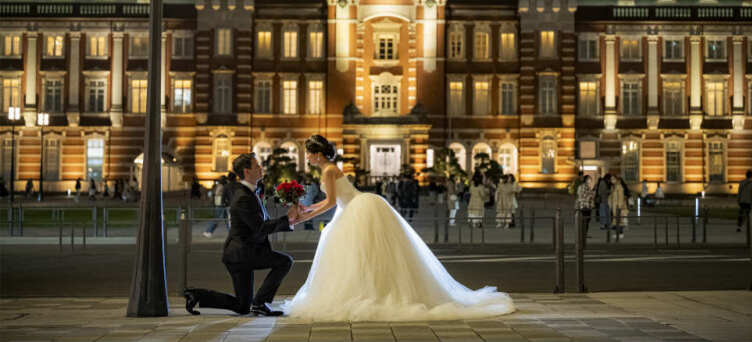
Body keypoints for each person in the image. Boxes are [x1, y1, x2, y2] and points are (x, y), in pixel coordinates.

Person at [285, 134, 514, 321]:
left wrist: (305, 215)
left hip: (355, 209)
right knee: (369, 257)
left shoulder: (328, 170)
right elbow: (334, 201)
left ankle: (370, 293)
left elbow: (331, 202)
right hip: (354, 207)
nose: (307, 157)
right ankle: (374, 292)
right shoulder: (330, 169)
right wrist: (305, 210)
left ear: (317, 154)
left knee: (360, 257)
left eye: (308, 153)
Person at [185, 152, 301, 317]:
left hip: (240, 253)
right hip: (241, 254)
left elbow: (262, 224)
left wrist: (290, 221)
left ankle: (197, 295)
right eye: (256, 166)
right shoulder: (243, 197)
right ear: (247, 172)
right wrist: (287, 219)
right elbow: (260, 227)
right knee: (284, 261)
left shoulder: (250, 193)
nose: (261, 168)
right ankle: (260, 303)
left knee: (242, 306)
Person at [576, 174, 594, 242]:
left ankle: (584, 233)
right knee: (585, 220)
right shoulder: (584, 186)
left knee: (586, 221)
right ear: (586, 180)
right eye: (589, 179)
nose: (590, 180)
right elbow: (584, 196)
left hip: (585, 205)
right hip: (585, 206)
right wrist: (592, 194)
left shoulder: (583, 186)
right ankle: (583, 234)